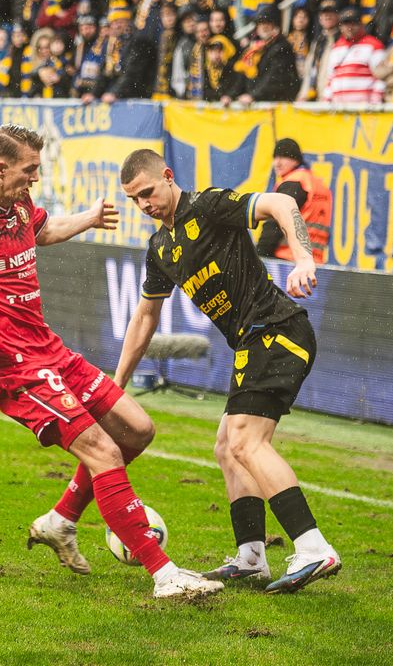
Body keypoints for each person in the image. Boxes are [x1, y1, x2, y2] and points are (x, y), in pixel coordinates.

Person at [0, 125, 222, 600]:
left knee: (136, 430)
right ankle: (165, 575)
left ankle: (60, 521)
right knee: (104, 452)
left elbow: (43, 230)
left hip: (50, 349)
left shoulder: (19, 205)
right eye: (29, 170)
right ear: (0, 167)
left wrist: (89, 219)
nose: (36, 177)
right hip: (15, 367)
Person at [115, 149, 341, 595]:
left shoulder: (209, 205)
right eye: (134, 199)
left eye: (147, 192)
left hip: (277, 330)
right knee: (226, 445)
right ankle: (251, 557)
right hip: (251, 343)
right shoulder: (160, 248)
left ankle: (314, 547)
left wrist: (303, 259)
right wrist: (115, 385)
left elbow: (283, 204)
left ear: (167, 176)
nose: (143, 205)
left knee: (244, 440)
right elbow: (144, 318)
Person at [255, 138, 331, 265]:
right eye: (275, 157)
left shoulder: (293, 183)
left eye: (284, 157)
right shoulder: (320, 185)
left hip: (286, 260)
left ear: (296, 160)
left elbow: (275, 223)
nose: (277, 163)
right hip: (313, 262)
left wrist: (260, 256)